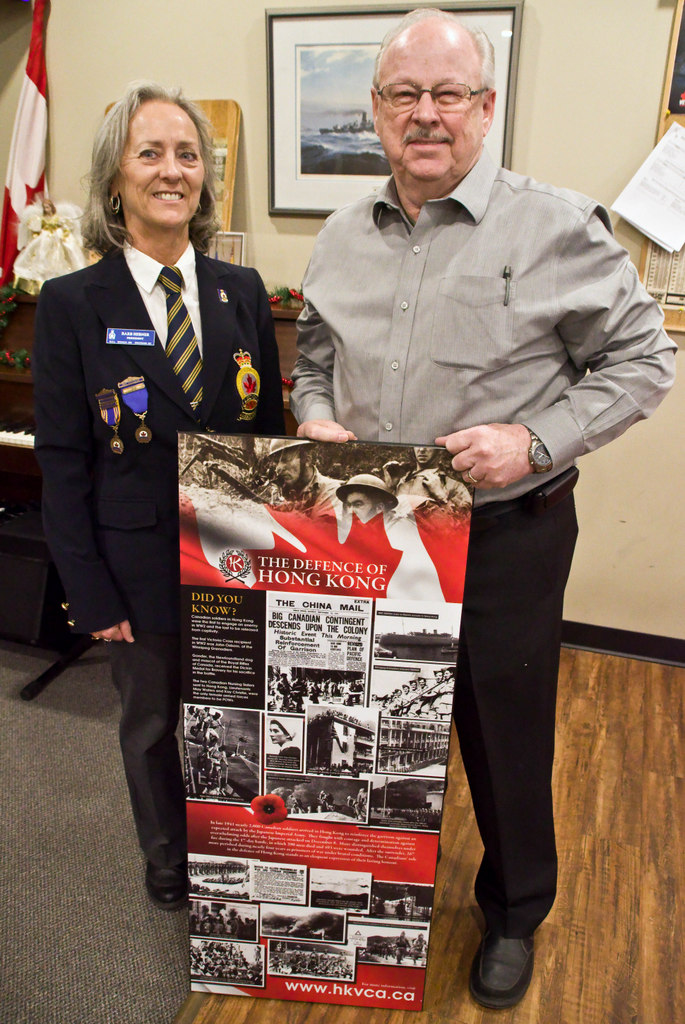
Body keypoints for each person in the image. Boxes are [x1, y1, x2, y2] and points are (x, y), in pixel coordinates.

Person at [291, 9, 676, 1009]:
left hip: (505, 535)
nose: (426, 114)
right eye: (403, 94)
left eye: (447, 93)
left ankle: (514, 909)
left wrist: (533, 440)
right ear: (374, 111)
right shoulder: (337, 237)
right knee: (360, 722)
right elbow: (318, 358)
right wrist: (317, 414)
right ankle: (370, 888)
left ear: (484, 107)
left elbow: (645, 359)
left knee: (502, 734)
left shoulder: (554, 225)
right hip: (370, 528)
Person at [33, 82, 284, 911]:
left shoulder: (241, 291)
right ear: (115, 179)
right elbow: (65, 463)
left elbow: (268, 432)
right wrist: (89, 590)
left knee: (235, 716)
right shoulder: (73, 304)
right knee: (150, 726)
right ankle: (167, 856)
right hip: (133, 560)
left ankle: (234, 844)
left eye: (188, 156)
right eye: (151, 153)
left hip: (234, 554)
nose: (172, 171)